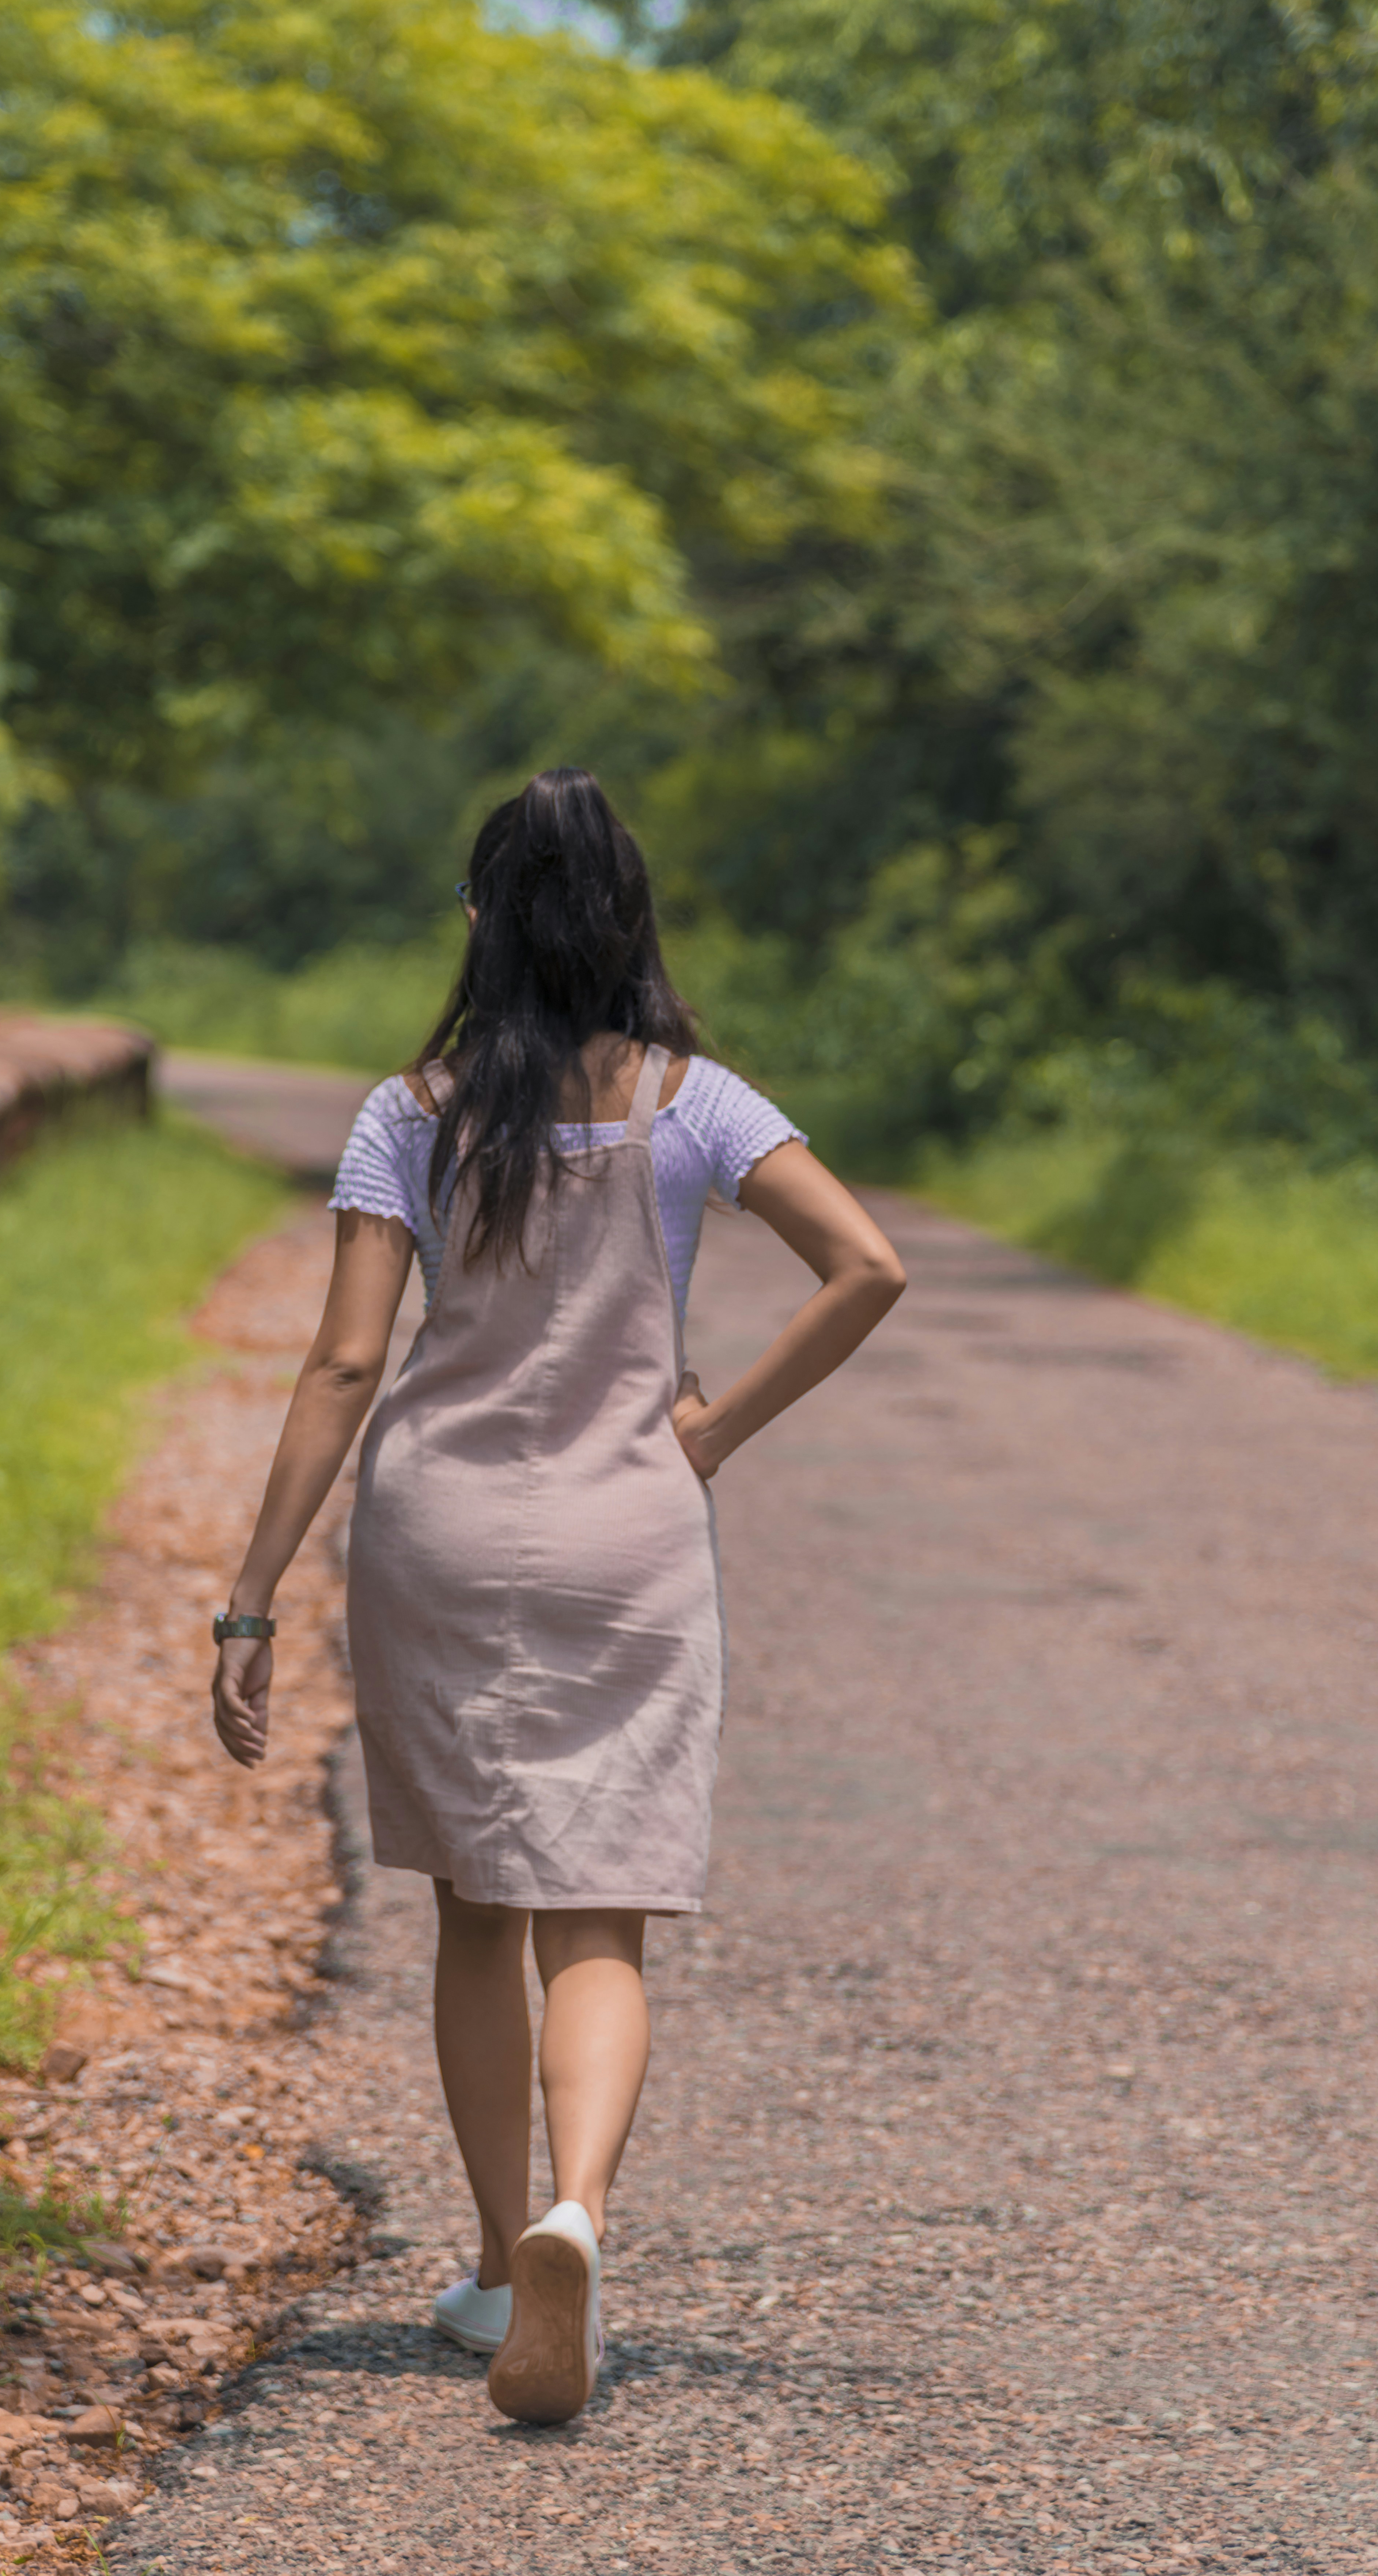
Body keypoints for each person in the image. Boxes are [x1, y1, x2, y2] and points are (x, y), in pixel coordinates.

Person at [211, 767, 905, 2424]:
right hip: (629, 1536)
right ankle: (574, 2214)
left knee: (475, 1905)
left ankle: (494, 2257)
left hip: (435, 1534)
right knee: (601, 1914)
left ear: (481, 925)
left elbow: (343, 1361)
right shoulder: (695, 1099)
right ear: (624, 927)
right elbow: (867, 1266)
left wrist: (248, 1598)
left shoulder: (411, 1111)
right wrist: (715, 1429)